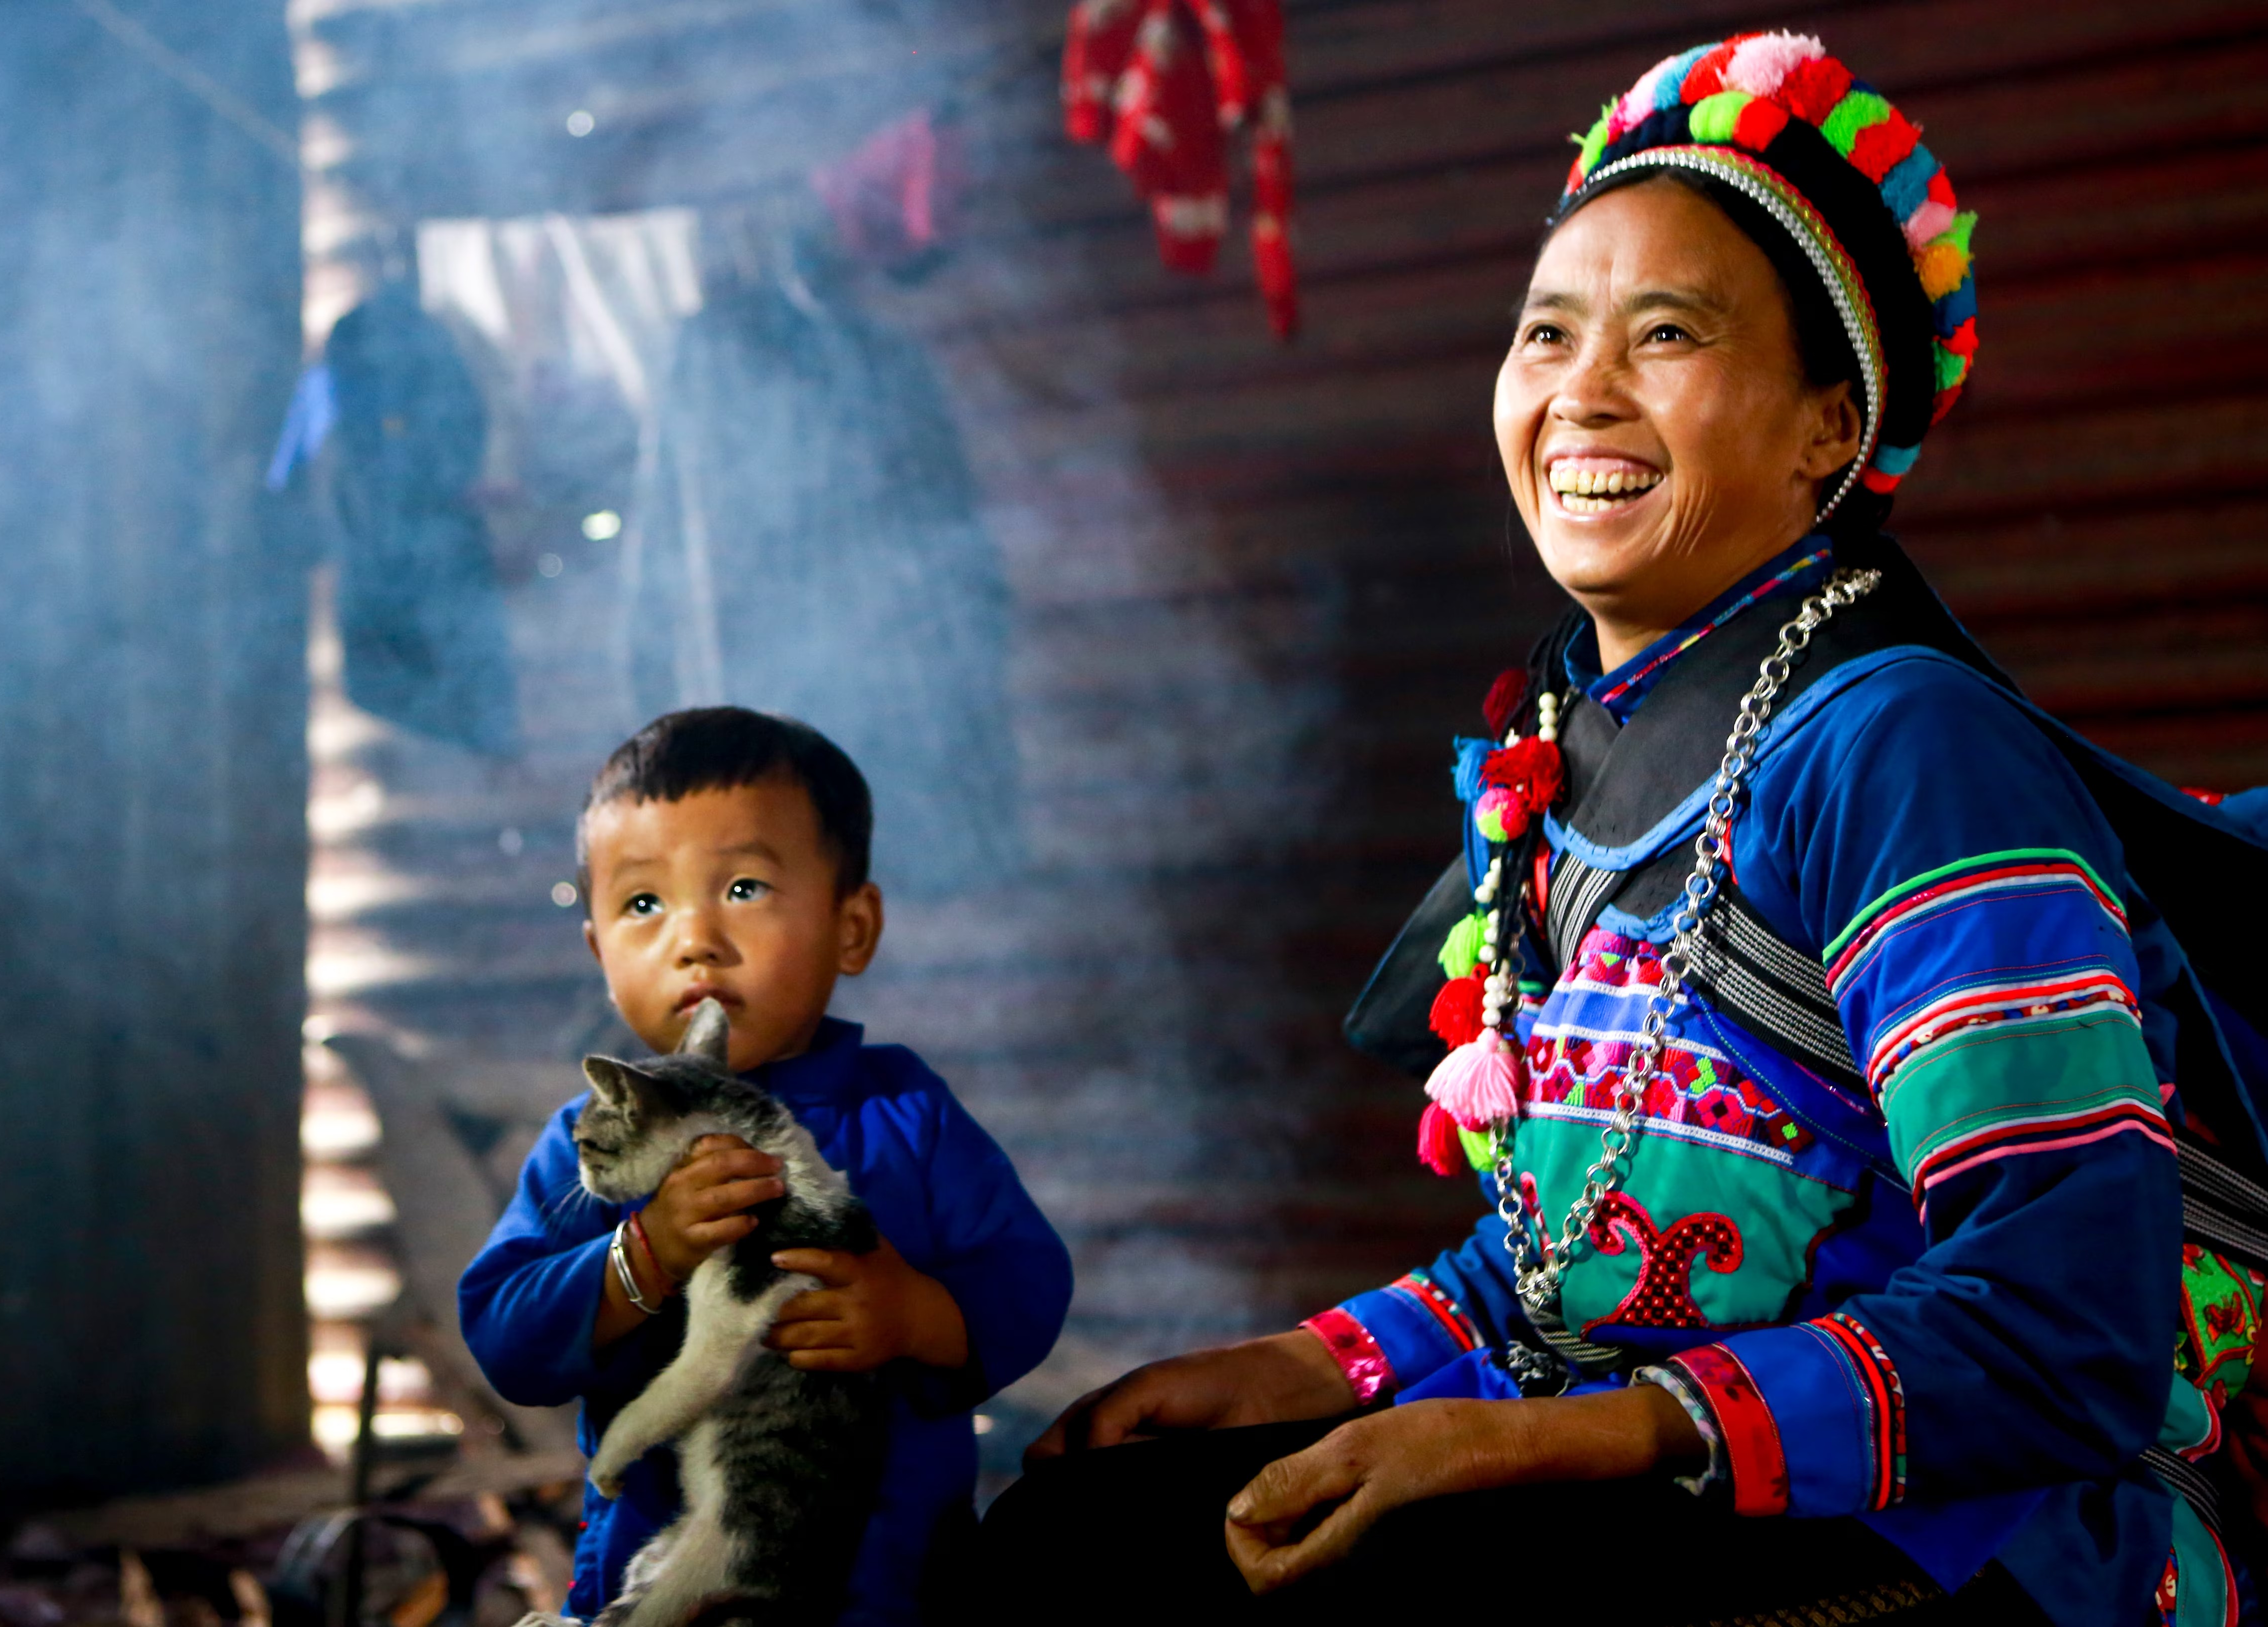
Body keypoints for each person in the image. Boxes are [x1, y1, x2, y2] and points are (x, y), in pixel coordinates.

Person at [974, 31, 2268, 1627]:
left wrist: (1544, 1444)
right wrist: (1306, 1364)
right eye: (1547, 332)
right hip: (1638, 1470)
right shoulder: (1558, 760)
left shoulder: (1908, 751)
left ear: (1826, 429)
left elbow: (2059, 1324)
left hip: (1964, 1537)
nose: (1581, 390)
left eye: (1666, 334)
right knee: (1078, 1533)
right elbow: (1570, 1258)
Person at [460, 706, 1072, 1624]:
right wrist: (644, 1257)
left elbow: (1028, 1280)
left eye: (743, 888)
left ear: (852, 926)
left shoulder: (907, 1116)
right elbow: (503, 1331)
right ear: (598, 951)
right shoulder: (592, 1143)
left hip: (899, 1594)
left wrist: (914, 1313)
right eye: (642, 904)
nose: (694, 937)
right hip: (669, 1588)